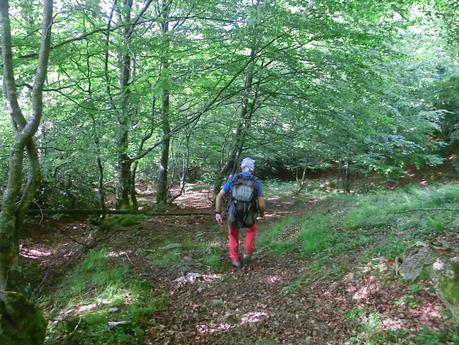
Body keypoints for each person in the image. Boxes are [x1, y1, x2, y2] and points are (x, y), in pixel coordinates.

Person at [215, 157, 265, 267]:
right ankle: (247, 253)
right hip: (249, 214)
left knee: (233, 233)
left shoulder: (233, 179)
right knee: (251, 230)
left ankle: (235, 259)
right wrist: (262, 213)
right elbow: (261, 204)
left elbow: (219, 196)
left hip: (234, 213)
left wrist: (217, 213)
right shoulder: (256, 182)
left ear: (242, 167)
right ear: (252, 169)